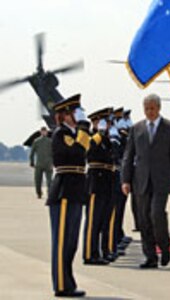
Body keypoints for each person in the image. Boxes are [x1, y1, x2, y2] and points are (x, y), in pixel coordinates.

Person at [121, 94, 170, 268]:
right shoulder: (137, 128)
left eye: (152, 108)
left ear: (158, 108)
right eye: (146, 108)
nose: (149, 112)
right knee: (143, 219)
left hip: (162, 180)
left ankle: (164, 247)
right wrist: (125, 180)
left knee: (156, 214)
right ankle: (150, 256)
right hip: (141, 180)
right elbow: (128, 155)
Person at [47, 94, 90, 298]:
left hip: (75, 191)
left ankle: (68, 282)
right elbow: (77, 152)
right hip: (64, 191)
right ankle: (61, 285)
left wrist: (82, 128)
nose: (76, 116)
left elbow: (86, 149)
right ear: (64, 116)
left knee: (71, 242)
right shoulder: (60, 134)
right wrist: (82, 126)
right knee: (62, 241)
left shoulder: (73, 133)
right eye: (73, 112)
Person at [82, 107, 113, 265]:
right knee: (93, 221)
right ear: (94, 123)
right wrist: (99, 134)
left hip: (106, 181)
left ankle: (100, 251)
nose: (106, 125)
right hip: (95, 182)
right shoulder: (90, 138)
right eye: (103, 122)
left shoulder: (105, 139)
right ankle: (89, 253)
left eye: (107, 122)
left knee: (102, 221)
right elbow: (89, 152)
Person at [29, 126, 53, 198]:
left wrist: (53, 162)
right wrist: (32, 162)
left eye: (44, 131)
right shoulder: (37, 141)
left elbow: (54, 153)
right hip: (40, 164)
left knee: (49, 181)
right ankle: (39, 193)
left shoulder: (49, 141)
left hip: (47, 164)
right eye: (43, 131)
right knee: (38, 180)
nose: (44, 132)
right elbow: (32, 153)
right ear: (41, 132)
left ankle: (48, 193)